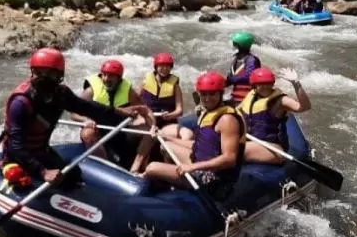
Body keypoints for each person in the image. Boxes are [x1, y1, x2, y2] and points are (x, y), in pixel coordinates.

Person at [0, 48, 152, 188]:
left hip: (41, 151)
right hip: (18, 156)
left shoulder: (61, 94)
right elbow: (16, 146)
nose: (44, 78)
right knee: (17, 176)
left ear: (59, 76)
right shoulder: (21, 102)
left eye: (50, 74)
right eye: (40, 73)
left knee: (73, 176)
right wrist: (43, 172)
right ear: (33, 72)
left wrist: (118, 112)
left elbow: (89, 108)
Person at [143, 71, 245, 201]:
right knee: (166, 146)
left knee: (152, 168)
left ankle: (162, 188)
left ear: (221, 94)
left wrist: (192, 167)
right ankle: (176, 186)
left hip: (214, 179)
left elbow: (229, 159)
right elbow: (197, 146)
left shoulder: (227, 120)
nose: (207, 98)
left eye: (212, 94)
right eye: (203, 94)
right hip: (201, 164)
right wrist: (165, 137)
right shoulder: (207, 113)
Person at [71, 59, 155, 168]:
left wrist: (153, 126)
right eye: (104, 75)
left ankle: (136, 168)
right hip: (97, 129)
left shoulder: (128, 91)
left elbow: (145, 110)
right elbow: (73, 113)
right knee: (87, 134)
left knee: (149, 133)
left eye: (111, 76)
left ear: (119, 78)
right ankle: (106, 168)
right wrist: (85, 120)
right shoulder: (90, 91)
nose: (106, 79)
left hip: (120, 129)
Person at [238, 66, 311, 164]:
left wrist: (296, 84)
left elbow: (304, 107)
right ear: (254, 86)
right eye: (261, 84)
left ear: (272, 84)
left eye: (268, 83)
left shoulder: (280, 101)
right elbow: (236, 112)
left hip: (273, 148)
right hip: (252, 142)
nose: (265, 87)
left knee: (234, 149)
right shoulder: (251, 96)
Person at [130, 53, 184, 173]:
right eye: (161, 66)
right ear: (156, 67)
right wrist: (136, 112)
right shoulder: (146, 82)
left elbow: (179, 110)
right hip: (148, 119)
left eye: (167, 66)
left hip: (166, 122)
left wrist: (171, 115)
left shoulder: (175, 86)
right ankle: (136, 168)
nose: (164, 69)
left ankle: (175, 170)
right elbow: (136, 102)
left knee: (187, 134)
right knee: (150, 134)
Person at [225, 32, 261, 104]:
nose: (233, 46)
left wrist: (230, 80)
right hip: (235, 97)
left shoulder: (252, 60)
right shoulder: (236, 59)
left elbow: (249, 77)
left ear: (239, 46)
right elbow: (229, 79)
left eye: (234, 44)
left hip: (249, 99)